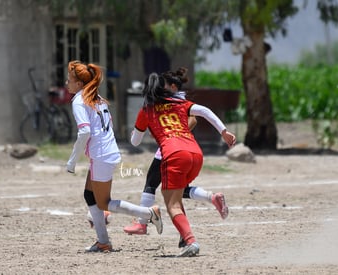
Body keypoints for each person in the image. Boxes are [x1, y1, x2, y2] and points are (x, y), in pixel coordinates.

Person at [130, 72, 236, 257]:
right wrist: (224, 131)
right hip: (195, 154)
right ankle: (185, 236)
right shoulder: (179, 103)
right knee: (177, 195)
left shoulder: (146, 110)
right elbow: (204, 111)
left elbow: (135, 142)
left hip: (174, 154)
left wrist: (137, 131)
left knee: (172, 202)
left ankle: (190, 241)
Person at [65, 60, 163, 253]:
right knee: (89, 194)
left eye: (69, 80)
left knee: (103, 202)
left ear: (78, 84)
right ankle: (103, 241)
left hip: (102, 155)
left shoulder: (79, 100)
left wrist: (72, 160)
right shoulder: (95, 96)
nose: (66, 83)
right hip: (104, 152)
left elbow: (84, 132)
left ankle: (149, 213)